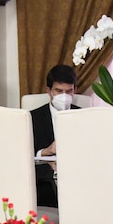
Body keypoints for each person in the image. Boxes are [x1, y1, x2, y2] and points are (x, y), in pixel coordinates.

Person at [30, 64, 80, 208]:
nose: (64, 96)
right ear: (49, 91)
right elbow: (22, 156)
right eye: (59, 91)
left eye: (68, 91)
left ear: (75, 90)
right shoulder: (32, 118)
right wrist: (47, 151)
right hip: (44, 185)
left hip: (78, 181)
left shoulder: (84, 116)